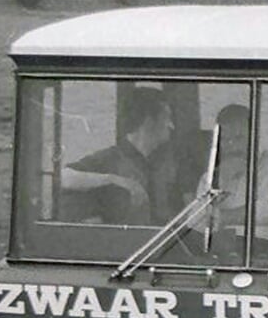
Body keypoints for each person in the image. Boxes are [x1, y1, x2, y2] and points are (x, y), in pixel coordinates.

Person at [59, 87, 189, 225]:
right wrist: (113, 180)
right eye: (167, 118)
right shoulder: (109, 160)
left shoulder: (174, 163)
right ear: (149, 121)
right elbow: (62, 178)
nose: (172, 126)